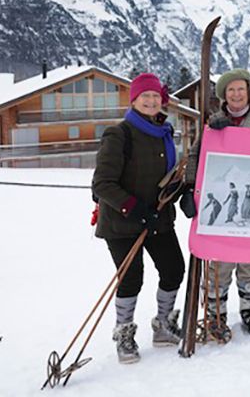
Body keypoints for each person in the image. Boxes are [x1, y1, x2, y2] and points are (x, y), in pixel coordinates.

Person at [92, 73, 185, 364]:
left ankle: (163, 325)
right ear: (134, 100)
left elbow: (165, 178)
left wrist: (183, 190)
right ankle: (124, 334)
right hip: (122, 222)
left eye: (156, 96)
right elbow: (102, 184)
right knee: (131, 279)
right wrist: (135, 209)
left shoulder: (165, 132)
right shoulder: (119, 134)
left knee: (173, 270)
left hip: (158, 218)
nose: (151, 100)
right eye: (145, 96)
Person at [184, 69, 250, 340]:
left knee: (248, 259)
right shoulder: (213, 123)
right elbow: (195, 155)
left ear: (249, 92)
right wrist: (190, 187)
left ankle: (249, 308)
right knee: (220, 261)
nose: (236, 94)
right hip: (222, 196)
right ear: (223, 95)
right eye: (230, 90)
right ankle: (214, 313)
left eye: (240, 89)